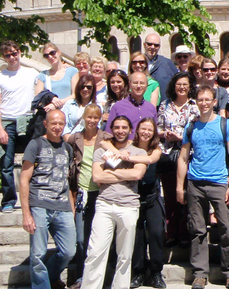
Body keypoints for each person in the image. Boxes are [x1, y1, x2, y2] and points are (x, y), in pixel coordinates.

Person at [176, 86, 229, 289]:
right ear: (196, 102)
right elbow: (183, 157)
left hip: (219, 182)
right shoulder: (191, 127)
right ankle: (200, 273)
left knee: (226, 227)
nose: (204, 103)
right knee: (197, 229)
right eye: (200, 100)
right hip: (195, 182)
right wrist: (179, 186)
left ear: (214, 102)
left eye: (207, 100)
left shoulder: (225, 124)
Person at [81, 116, 148, 289]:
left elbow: (137, 174)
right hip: (104, 204)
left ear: (130, 130)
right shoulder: (101, 151)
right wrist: (125, 174)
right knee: (95, 252)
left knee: (125, 255)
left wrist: (111, 174)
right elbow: (97, 177)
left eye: (124, 127)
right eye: (117, 127)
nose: (120, 131)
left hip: (129, 206)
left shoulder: (139, 152)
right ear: (111, 129)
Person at [102, 118, 163, 289]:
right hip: (132, 193)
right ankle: (139, 272)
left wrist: (126, 156)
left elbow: (150, 160)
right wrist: (119, 152)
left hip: (151, 193)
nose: (146, 132)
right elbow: (104, 143)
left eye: (149, 130)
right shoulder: (129, 145)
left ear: (154, 132)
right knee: (136, 235)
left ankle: (156, 272)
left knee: (156, 232)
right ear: (137, 130)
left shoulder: (155, 149)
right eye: (143, 129)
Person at [20, 109, 76, 289]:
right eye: (54, 123)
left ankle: (50, 277)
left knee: (69, 251)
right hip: (39, 205)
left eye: (61, 123)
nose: (57, 127)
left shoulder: (67, 148)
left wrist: (71, 207)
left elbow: (67, 180)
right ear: (46, 124)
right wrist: (26, 214)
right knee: (38, 254)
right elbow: (24, 180)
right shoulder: (35, 145)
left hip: (62, 207)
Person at [0, 40, 39, 213]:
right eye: (8, 55)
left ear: (19, 52)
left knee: (33, 161)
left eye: (14, 53)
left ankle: (34, 198)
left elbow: (45, 88)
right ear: (3, 57)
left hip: (28, 120)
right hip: (8, 122)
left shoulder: (32, 73)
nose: (12, 57)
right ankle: (8, 201)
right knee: (6, 163)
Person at [67, 104, 113, 289]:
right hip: (81, 193)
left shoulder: (106, 138)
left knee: (98, 238)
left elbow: (115, 160)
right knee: (80, 239)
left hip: (100, 193)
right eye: (89, 117)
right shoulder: (75, 138)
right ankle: (81, 276)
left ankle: (99, 277)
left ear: (100, 119)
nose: (92, 121)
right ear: (84, 118)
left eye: (95, 117)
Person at [156, 72, 198, 243]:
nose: (181, 87)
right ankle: (171, 233)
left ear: (190, 87)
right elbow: (157, 128)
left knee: (186, 195)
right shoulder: (165, 105)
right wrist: (165, 134)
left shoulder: (194, 106)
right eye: (179, 84)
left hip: (188, 154)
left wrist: (180, 137)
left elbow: (197, 130)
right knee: (170, 195)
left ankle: (185, 233)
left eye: (185, 84)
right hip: (167, 154)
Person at [106, 71, 157, 138]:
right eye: (135, 83)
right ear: (129, 84)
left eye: (142, 83)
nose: (138, 86)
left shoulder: (151, 108)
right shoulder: (118, 107)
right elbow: (108, 134)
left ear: (146, 86)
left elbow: (155, 134)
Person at [35, 42, 79, 112]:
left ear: (59, 52)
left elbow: (75, 95)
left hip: (68, 112)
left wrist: (56, 104)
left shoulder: (72, 71)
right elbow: (37, 98)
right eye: (46, 55)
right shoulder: (43, 75)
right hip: (50, 114)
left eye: (52, 53)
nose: (50, 57)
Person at [144, 33, 178, 99]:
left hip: (163, 104)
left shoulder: (168, 63)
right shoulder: (136, 62)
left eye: (156, 45)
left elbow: (176, 83)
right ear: (144, 45)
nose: (152, 47)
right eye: (149, 44)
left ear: (159, 47)